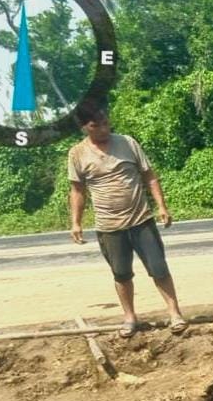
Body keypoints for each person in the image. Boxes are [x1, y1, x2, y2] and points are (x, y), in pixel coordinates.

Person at [68, 103, 187, 338]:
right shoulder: (77, 154)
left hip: (141, 219)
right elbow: (77, 190)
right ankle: (130, 317)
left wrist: (162, 206)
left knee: (159, 268)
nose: (102, 129)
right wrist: (76, 222)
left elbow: (149, 176)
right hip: (109, 226)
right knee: (121, 274)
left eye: (105, 123)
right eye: (96, 125)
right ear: (85, 128)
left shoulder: (127, 143)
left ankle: (174, 314)